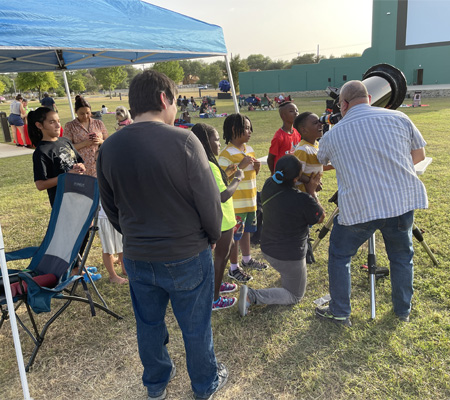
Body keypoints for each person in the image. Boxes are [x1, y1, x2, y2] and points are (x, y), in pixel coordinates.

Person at [96, 70, 228, 400]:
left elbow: (110, 206)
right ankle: (204, 384)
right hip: (186, 252)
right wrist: (212, 236)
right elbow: (209, 202)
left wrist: (134, 235)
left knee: (149, 325)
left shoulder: (109, 147)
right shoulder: (183, 140)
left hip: (138, 255)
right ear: (163, 99)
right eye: (175, 100)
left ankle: (156, 385)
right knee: (196, 326)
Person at [315, 80, 428, 327]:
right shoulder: (399, 117)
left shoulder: (335, 133)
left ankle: (340, 312)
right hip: (401, 203)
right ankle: (403, 311)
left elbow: (322, 162)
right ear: (369, 97)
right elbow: (418, 156)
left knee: (340, 254)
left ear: (343, 105)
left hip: (359, 208)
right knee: (401, 257)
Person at [239, 155, 324, 316]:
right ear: (297, 178)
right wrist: (311, 190)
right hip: (289, 257)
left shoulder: (269, 184)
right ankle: (252, 296)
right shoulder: (303, 199)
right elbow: (320, 217)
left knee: (291, 275)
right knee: (294, 295)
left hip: (268, 250)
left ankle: (288, 276)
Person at [191, 123, 245, 311]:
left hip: (224, 218)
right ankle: (213, 299)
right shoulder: (210, 166)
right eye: (216, 139)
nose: (219, 143)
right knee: (221, 258)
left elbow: (217, 186)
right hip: (222, 219)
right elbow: (222, 195)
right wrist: (238, 178)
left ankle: (217, 283)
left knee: (226, 252)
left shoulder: (202, 162)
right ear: (206, 142)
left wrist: (230, 173)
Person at [218, 113, 267, 283]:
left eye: (249, 128)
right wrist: (240, 166)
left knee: (247, 232)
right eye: (246, 128)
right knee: (235, 237)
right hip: (236, 205)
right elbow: (224, 178)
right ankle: (233, 267)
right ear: (233, 130)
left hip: (250, 201)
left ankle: (247, 259)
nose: (249, 131)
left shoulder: (250, 150)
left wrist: (257, 168)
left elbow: (251, 175)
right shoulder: (226, 154)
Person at [28, 107, 85, 206]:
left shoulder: (65, 141)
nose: (58, 125)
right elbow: (40, 185)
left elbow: (80, 162)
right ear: (39, 125)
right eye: (52, 122)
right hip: (63, 202)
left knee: (88, 221)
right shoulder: (41, 151)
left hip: (80, 193)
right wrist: (66, 176)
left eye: (58, 121)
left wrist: (80, 167)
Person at [64, 96, 108, 177]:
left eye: (88, 113)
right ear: (75, 111)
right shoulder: (70, 126)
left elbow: (108, 142)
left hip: (99, 164)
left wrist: (100, 141)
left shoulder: (98, 123)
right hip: (81, 166)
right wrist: (84, 143)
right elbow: (67, 148)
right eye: (82, 113)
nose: (85, 116)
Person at [293, 112, 334, 193]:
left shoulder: (317, 145)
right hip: (302, 193)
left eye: (320, 122)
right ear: (304, 130)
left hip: (311, 191)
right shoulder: (303, 149)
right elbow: (296, 173)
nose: (320, 124)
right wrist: (312, 182)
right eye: (315, 123)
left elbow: (315, 165)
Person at [267, 101, 301, 174]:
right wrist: (273, 173)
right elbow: (270, 158)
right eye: (291, 111)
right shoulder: (279, 137)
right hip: (281, 174)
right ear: (283, 116)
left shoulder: (297, 133)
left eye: (297, 110)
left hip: (293, 173)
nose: (296, 113)